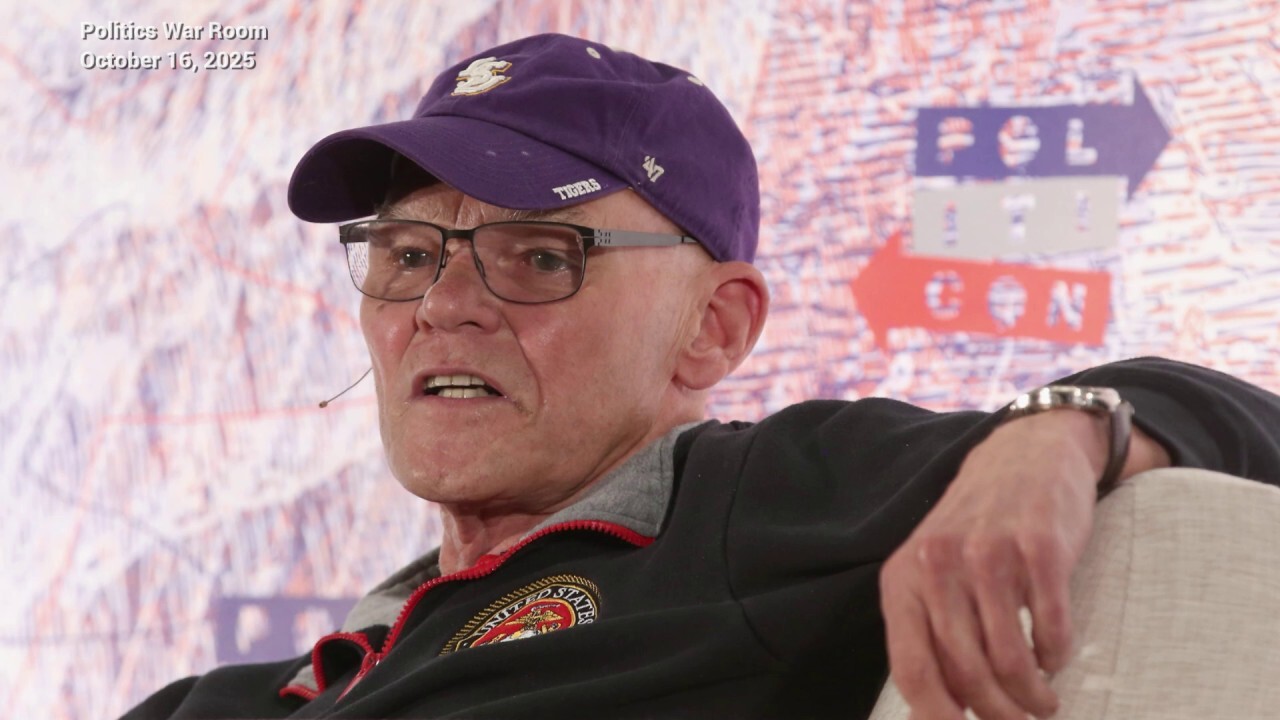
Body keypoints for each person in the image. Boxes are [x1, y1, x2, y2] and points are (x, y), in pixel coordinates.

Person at [123, 33, 1280, 720]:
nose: (441, 304)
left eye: (538, 256)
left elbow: (1245, 426)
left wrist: (1051, 436)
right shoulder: (253, 691)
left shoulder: (743, 505)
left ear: (711, 332)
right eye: (408, 254)